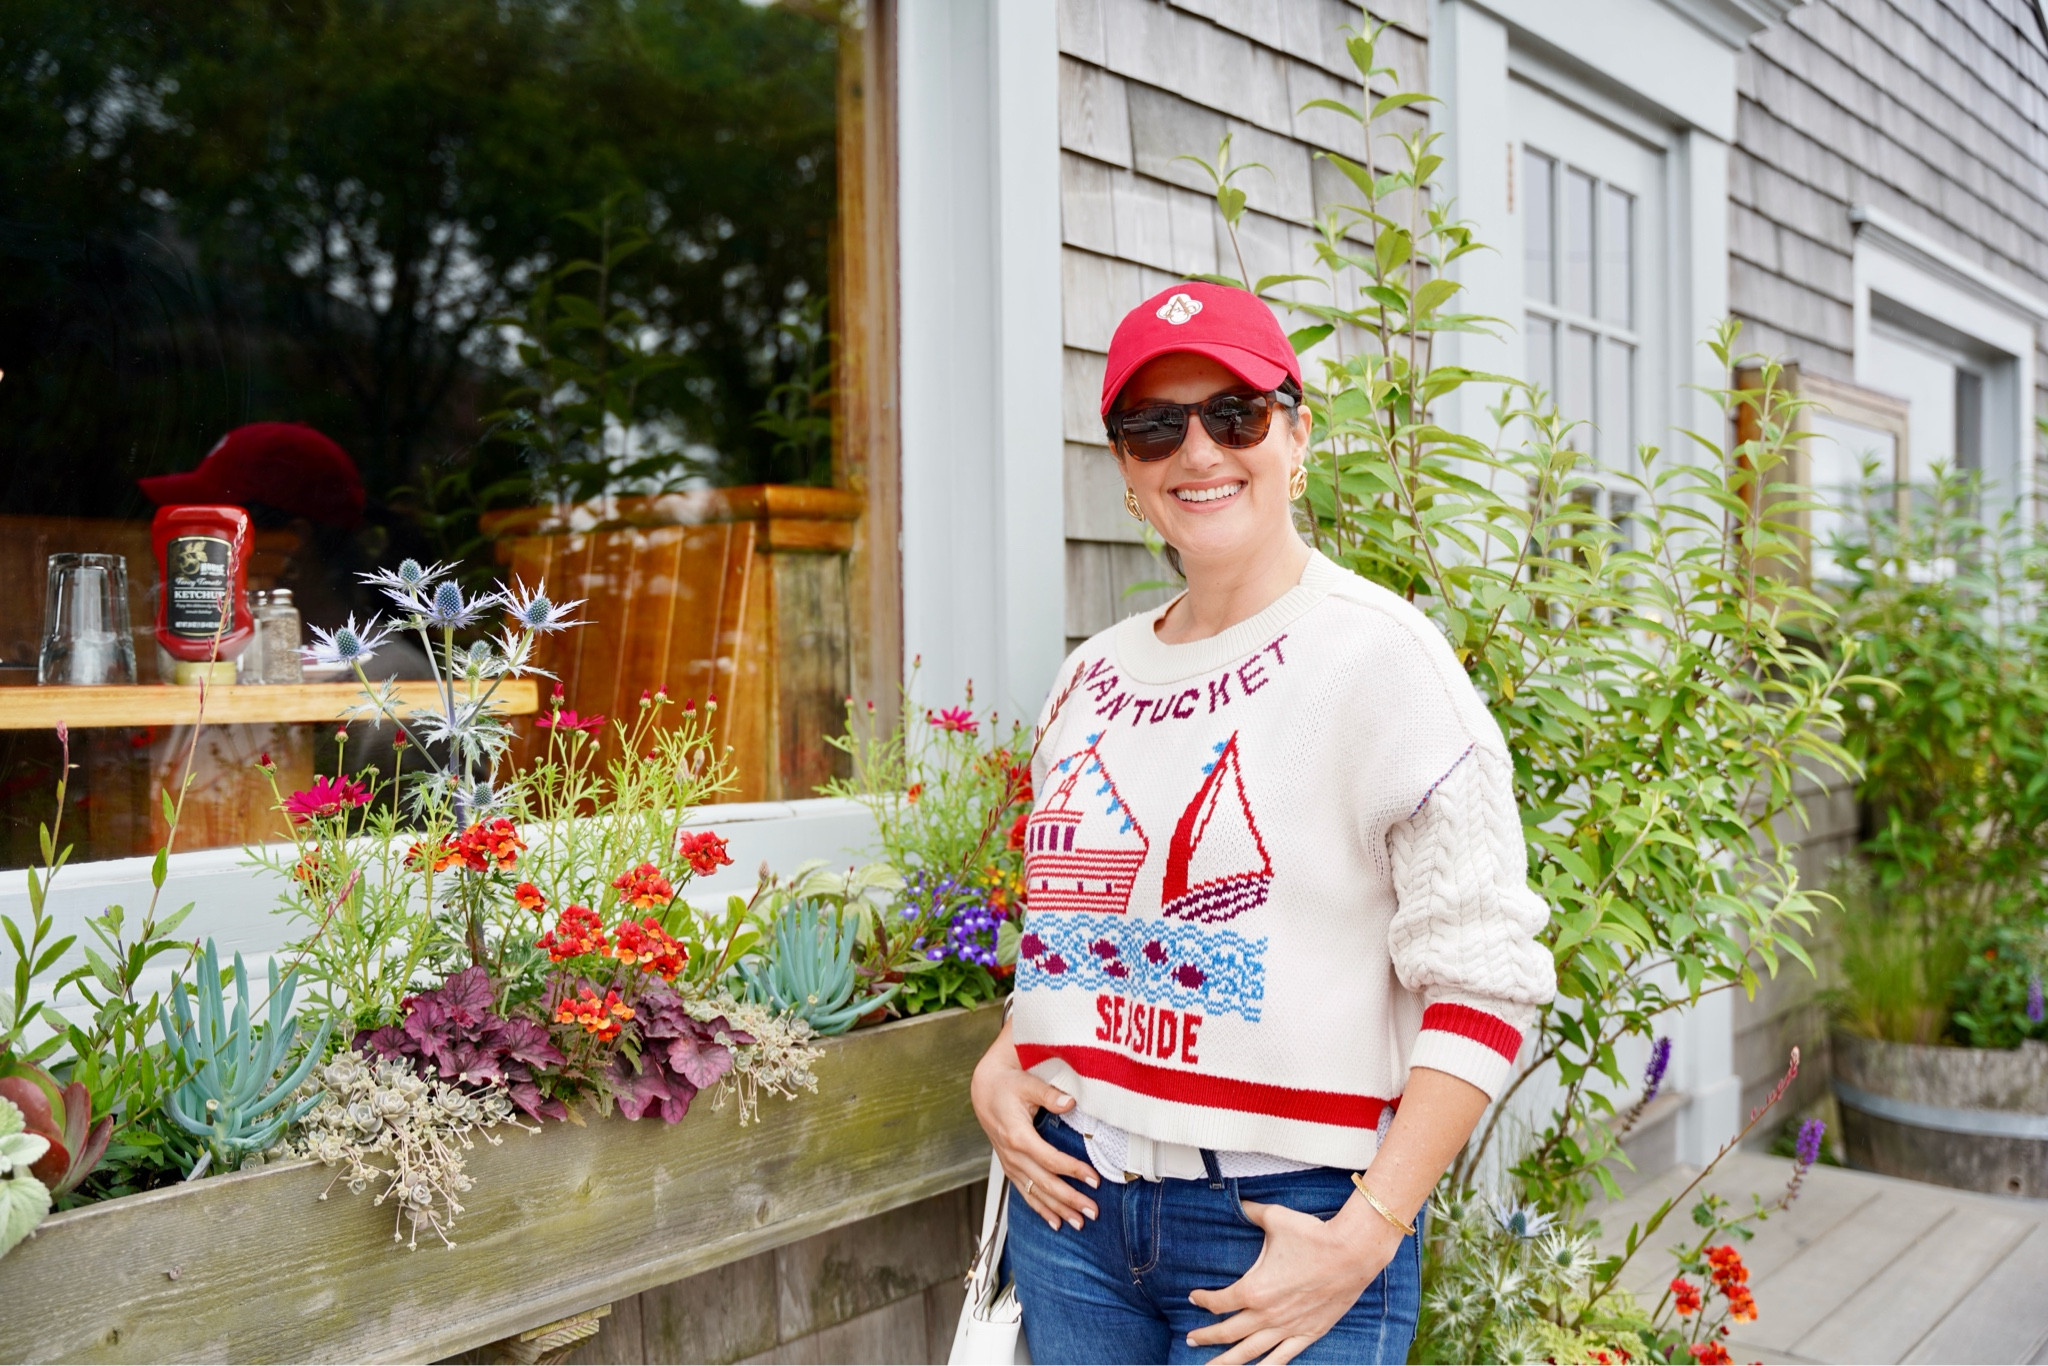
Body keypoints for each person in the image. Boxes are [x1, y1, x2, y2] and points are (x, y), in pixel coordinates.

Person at [971, 281, 1556, 1365]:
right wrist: (1002, 1060)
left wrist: (1365, 1234)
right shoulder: (1087, 680)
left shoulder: (1383, 661)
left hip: (1282, 1221)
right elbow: (1074, 930)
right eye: (1154, 427)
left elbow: (1485, 976)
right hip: (1072, 1209)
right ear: (1124, 472)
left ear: (1295, 436)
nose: (1196, 450)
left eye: (1232, 414)